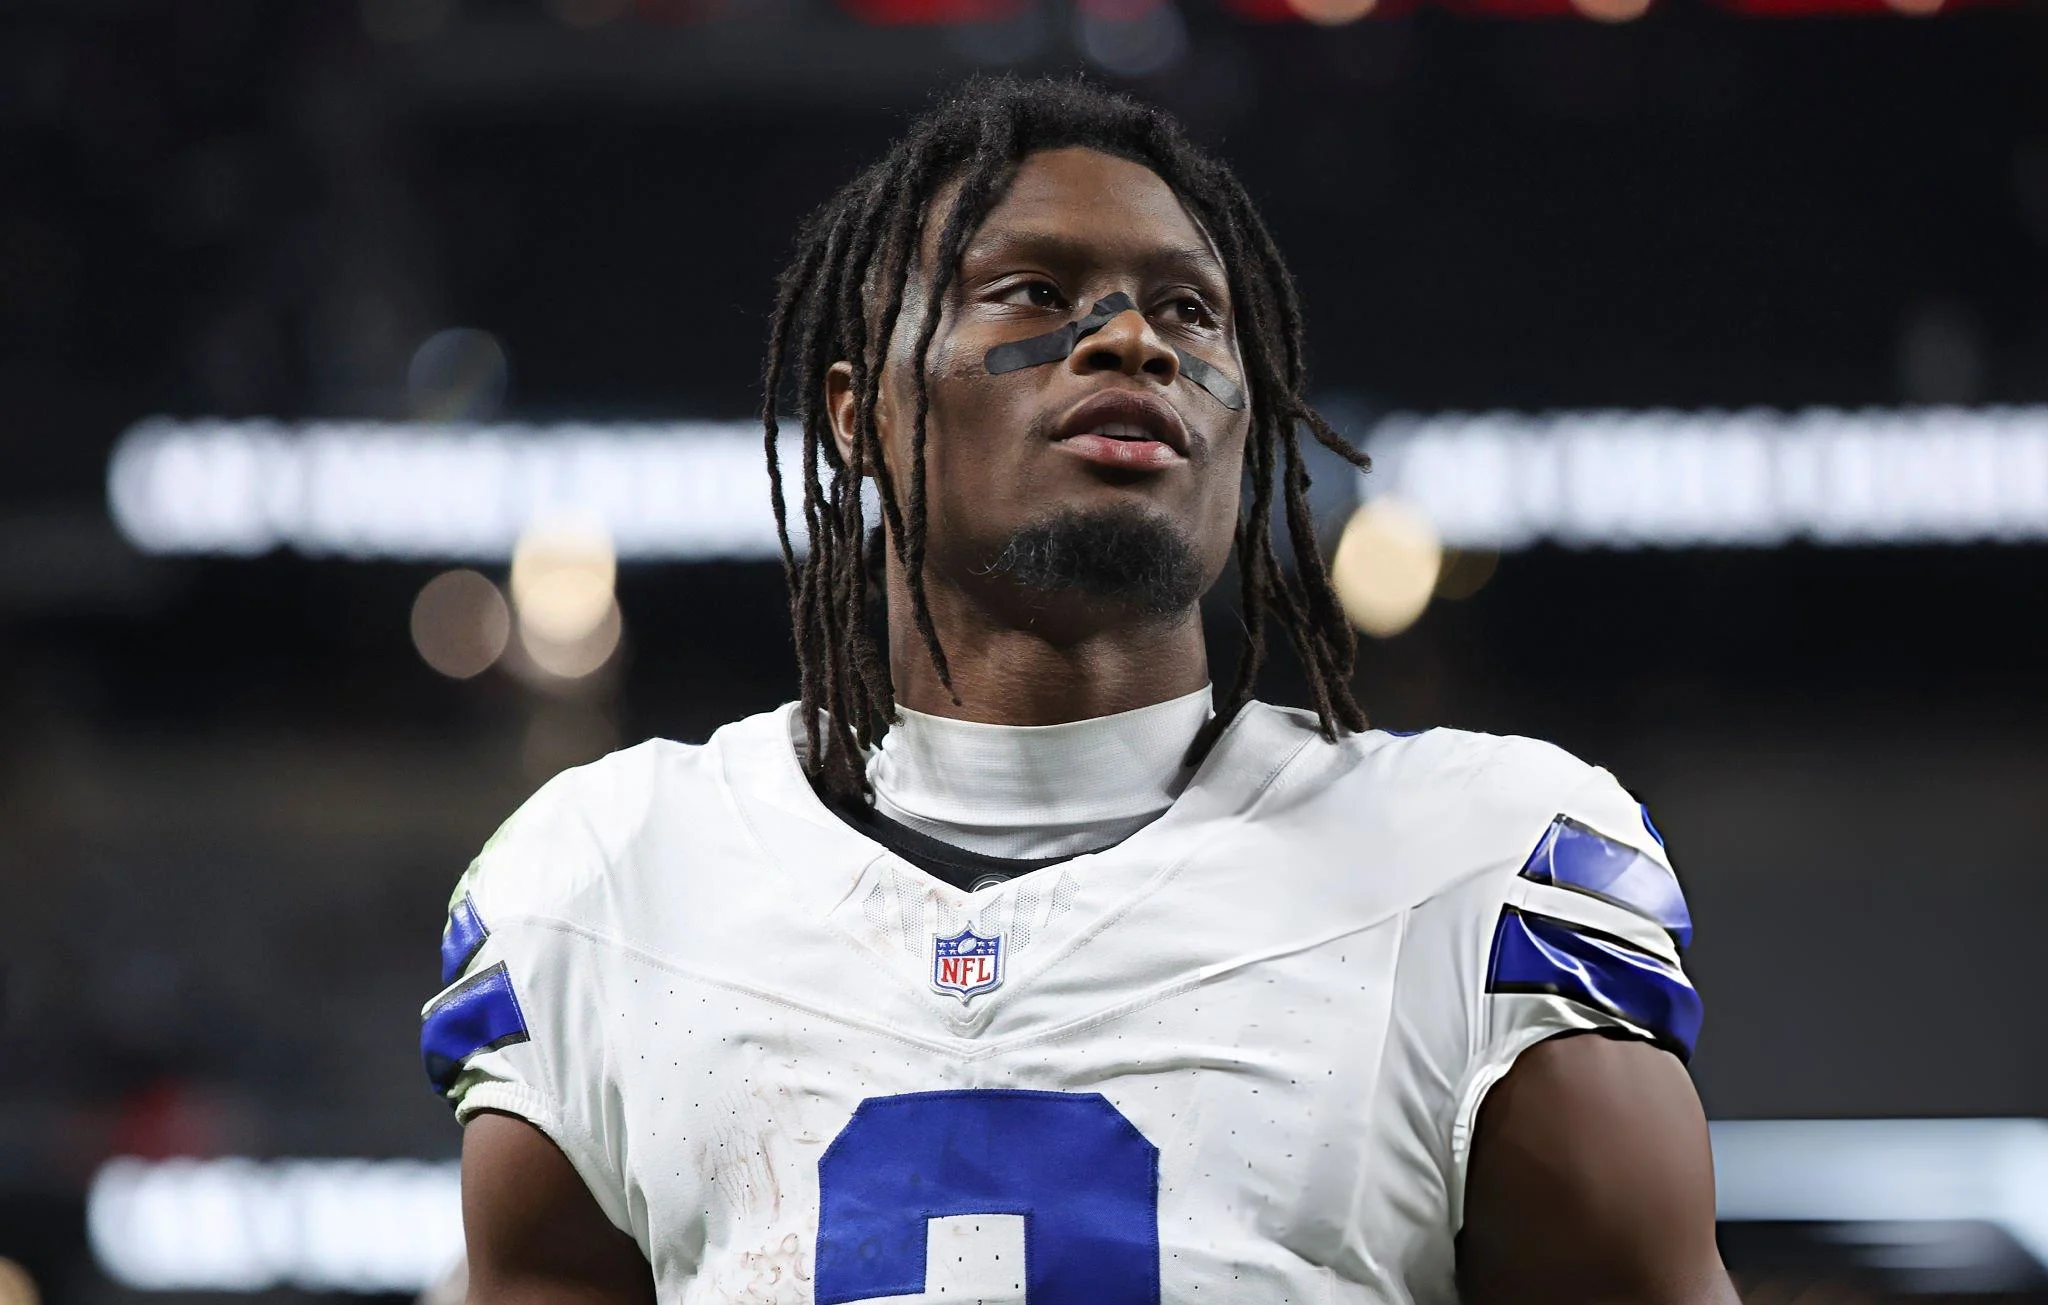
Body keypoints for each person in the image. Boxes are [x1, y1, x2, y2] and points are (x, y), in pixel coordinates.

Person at [423, 77, 1734, 1305]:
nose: (1131, 344)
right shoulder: (606, 885)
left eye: (1189, 312)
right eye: (1035, 292)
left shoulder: (1477, 867)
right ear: (858, 412)